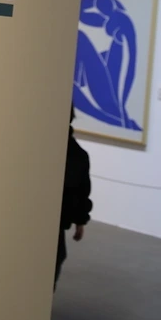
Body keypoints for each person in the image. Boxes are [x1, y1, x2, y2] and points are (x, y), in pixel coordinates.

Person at [56, 104, 92, 289]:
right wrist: (80, 220)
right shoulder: (78, 155)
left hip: (55, 222)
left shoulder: (76, 155)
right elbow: (82, 189)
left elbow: (81, 189)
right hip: (56, 222)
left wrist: (80, 219)